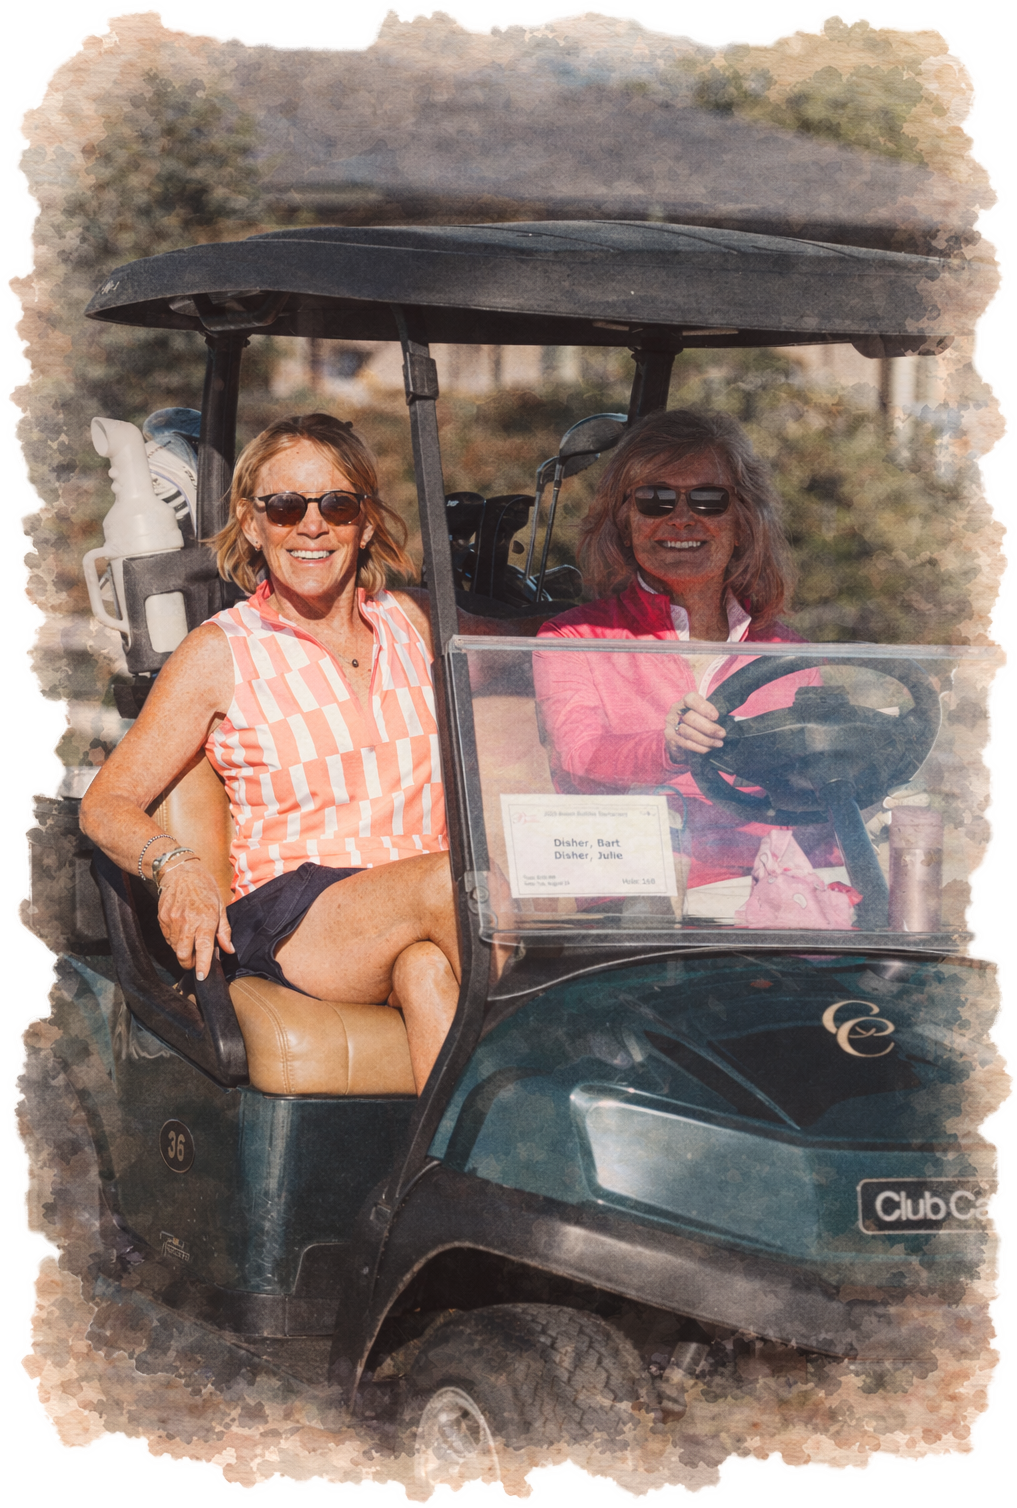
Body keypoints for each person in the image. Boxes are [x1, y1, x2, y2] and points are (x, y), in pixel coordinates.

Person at [81, 412, 536, 1093]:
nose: (312, 526)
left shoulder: (412, 621)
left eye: (337, 505)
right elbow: (105, 805)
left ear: (367, 521)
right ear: (253, 522)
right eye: (286, 507)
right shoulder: (221, 651)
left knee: (426, 971)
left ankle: (466, 1177)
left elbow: (545, 646)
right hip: (296, 913)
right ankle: (571, 1079)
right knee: (458, 884)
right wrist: (173, 865)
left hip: (417, 904)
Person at [533, 407, 836, 893]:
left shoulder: (787, 653)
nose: (681, 519)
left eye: (708, 500)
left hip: (770, 886)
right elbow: (580, 754)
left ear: (742, 521)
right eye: (655, 500)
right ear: (625, 519)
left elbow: (808, 787)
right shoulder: (573, 639)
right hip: (637, 890)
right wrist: (669, 747)